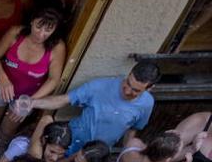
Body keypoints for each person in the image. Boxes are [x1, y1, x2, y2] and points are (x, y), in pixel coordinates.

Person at [30, 62, 160, 154]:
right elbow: (63, 100)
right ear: (129, 73)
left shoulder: (147, 103)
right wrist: (32, 103)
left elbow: (132, 130)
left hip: (94, 156)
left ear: (150, 88)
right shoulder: (99, 86)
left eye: (135, 90)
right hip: (68, 146)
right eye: (128, 83)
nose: (127, 91)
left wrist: (124, 156)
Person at [0, 8, 66, 137]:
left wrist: (30, 102)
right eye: (39, 27)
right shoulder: (15, 33)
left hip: (28, 96)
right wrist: (4, 80)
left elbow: (53, 80)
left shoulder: (57, 47)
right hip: (1, 85)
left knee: (5, 133)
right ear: (32, 21)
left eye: (48, 30)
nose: (41, 34)